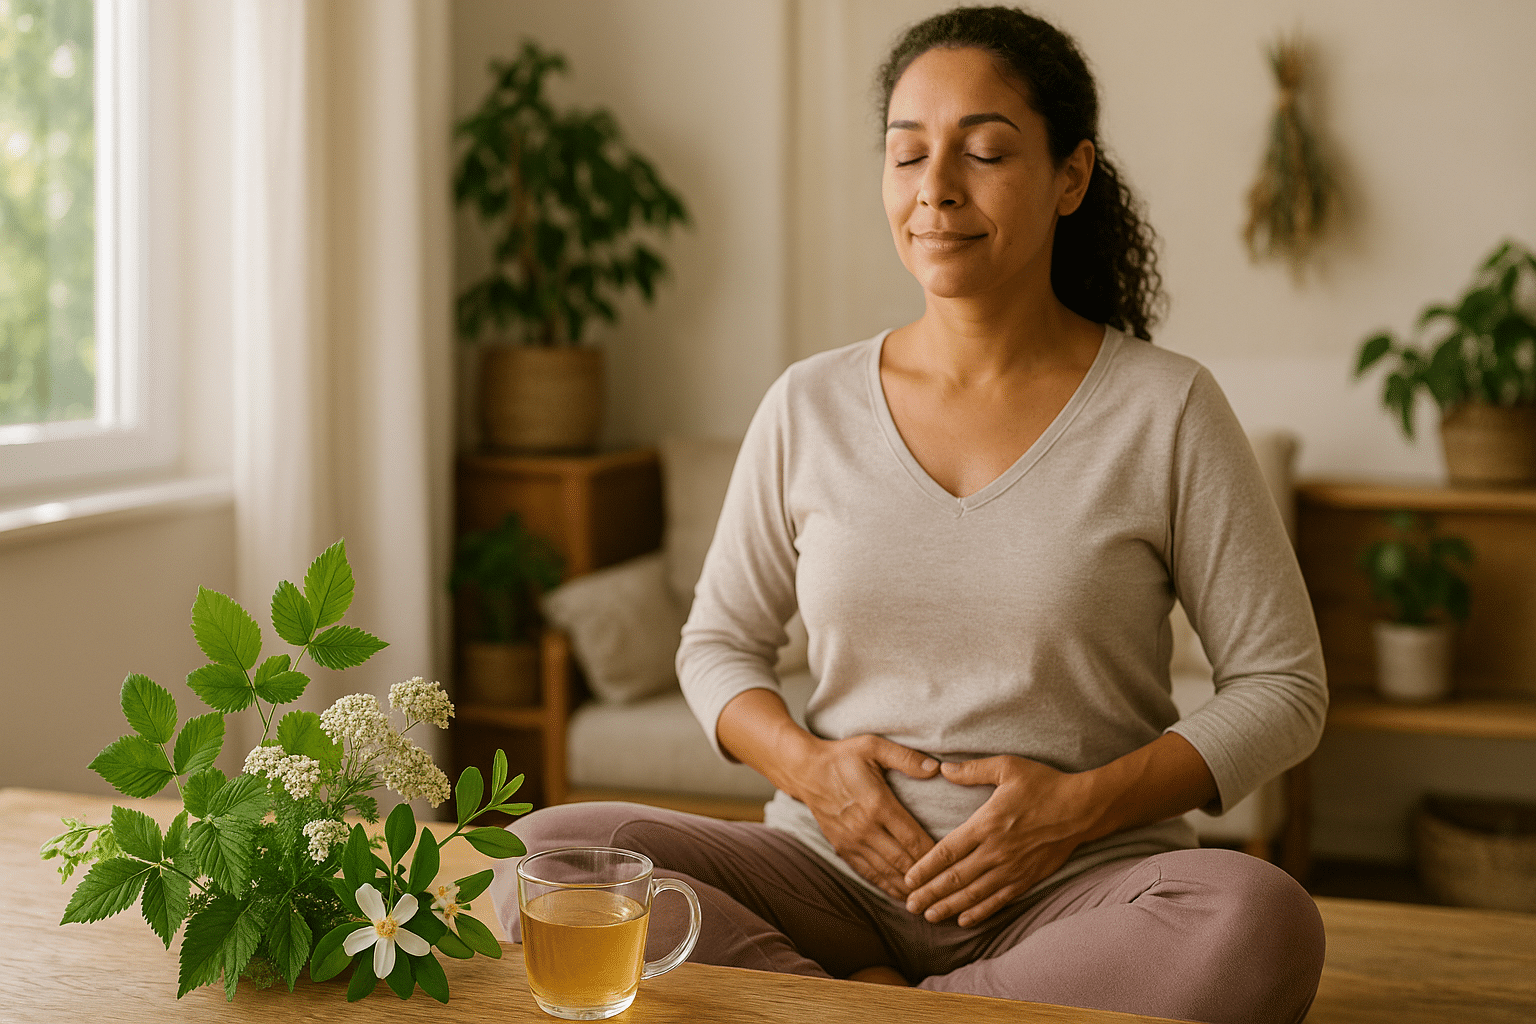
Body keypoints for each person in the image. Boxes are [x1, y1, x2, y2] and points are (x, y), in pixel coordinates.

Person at [489, 7, 1328, 1022]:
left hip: (1077, 889)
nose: (936, 190)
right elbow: (716, 645)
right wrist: (815, 773)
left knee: (1260, 922)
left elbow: (1283, 685)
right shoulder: (809, 402)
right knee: (541, 855)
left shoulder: (1167, 408)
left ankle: (868, 1008)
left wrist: (1075, 810)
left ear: (1070, 176)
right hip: (828, 878)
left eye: (982, 151)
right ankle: (937, 1007)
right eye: (907, 155)